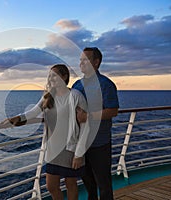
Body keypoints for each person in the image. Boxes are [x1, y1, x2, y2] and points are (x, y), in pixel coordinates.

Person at [3, 64, 90, 200]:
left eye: (54, 75)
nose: (51, 78)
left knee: (70, 183)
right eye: (49, 76)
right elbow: (34, 111)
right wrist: (18, 118)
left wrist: (79, 153)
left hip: (70, 148)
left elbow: (85, 126)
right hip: (53, 149)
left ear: (65, 76)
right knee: (51, 186)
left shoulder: (75, 96)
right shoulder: (48, 97)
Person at [72, 47, 119, 200]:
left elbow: (112, 111)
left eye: (85, 60)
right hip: (81, 144)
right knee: (88, 184)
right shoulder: (76, 85)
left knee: (103, 184)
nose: (81, 63)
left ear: (96, 62)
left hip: (99, 143)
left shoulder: (106, 85)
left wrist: (88, 116)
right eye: (80, 60)